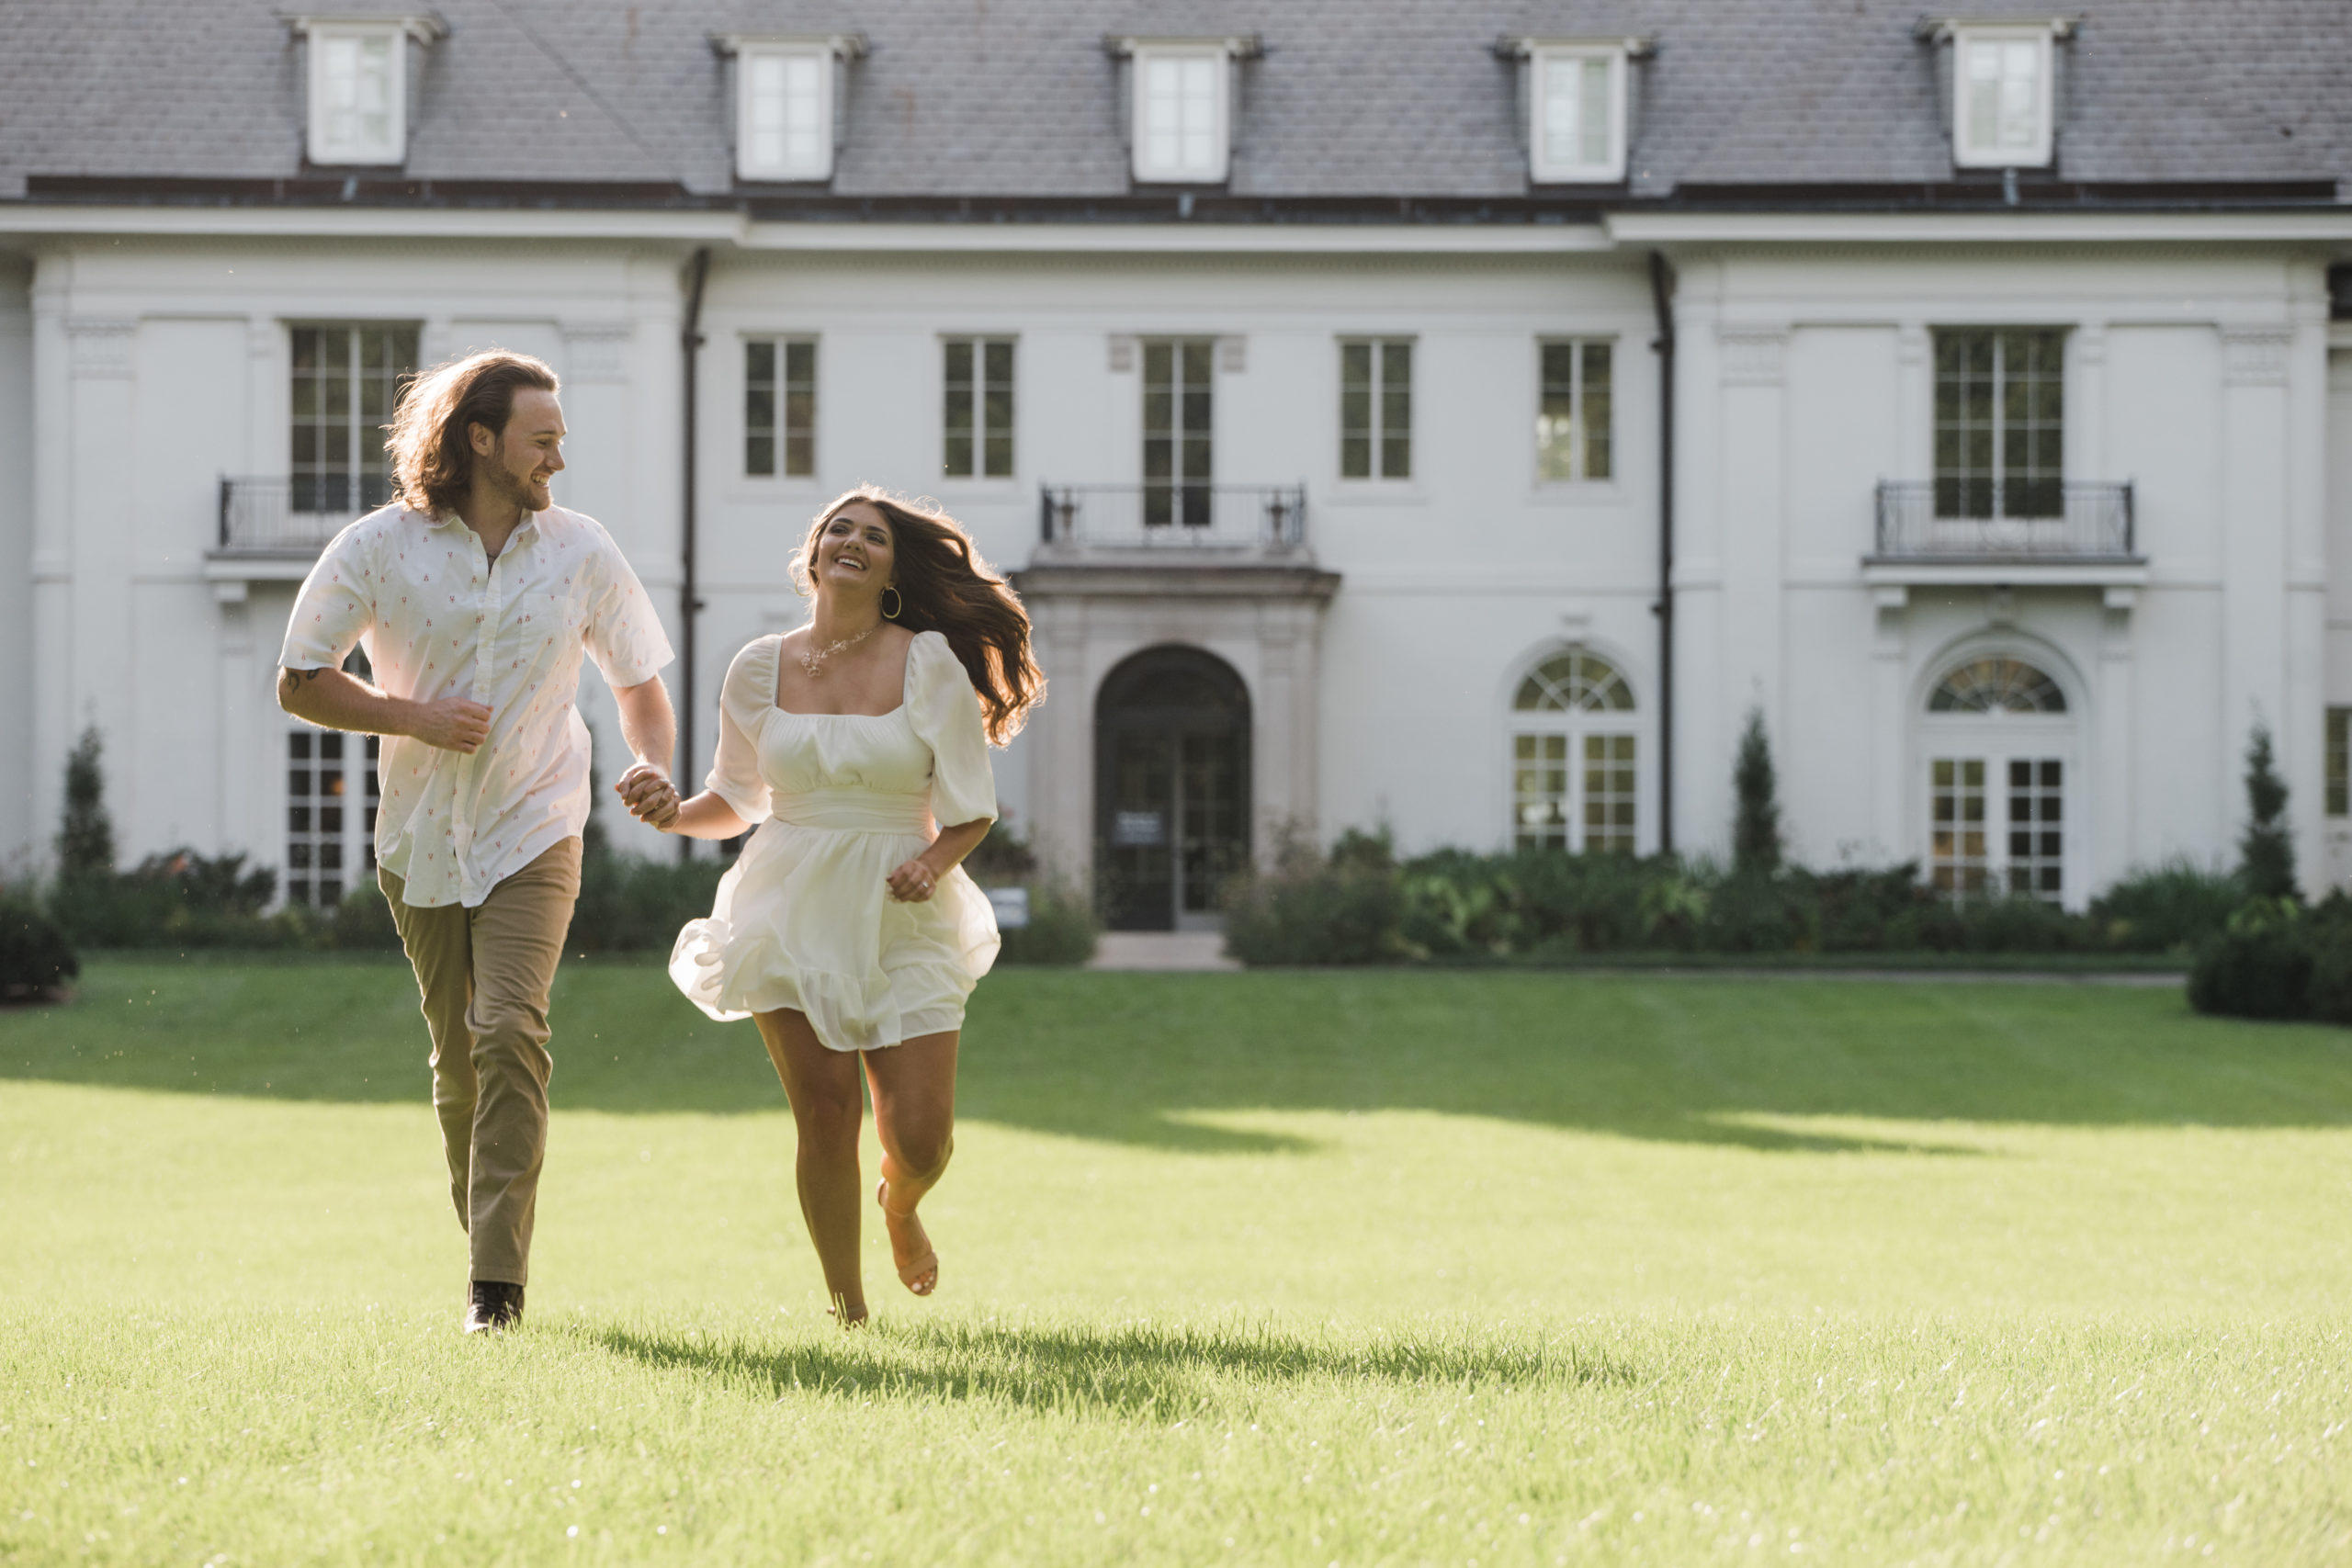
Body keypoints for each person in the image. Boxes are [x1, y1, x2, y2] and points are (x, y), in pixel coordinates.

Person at [277, 350, 680, 1335]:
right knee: (458, 1061)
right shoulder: (378, 546)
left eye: (560, 440)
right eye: (542, 440)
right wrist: (411, 717)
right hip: (417, 836)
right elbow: (299, 678)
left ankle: (494, 1292)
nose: (558, 459)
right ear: (478, 439)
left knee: (508, 1031)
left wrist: (654, 763)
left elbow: (638, 684)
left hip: (537, 824)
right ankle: (486, 1251)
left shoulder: (584, 551)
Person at [623, 485, 1041, 1326]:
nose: (852, 540)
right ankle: (848, 1311)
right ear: (812, 556)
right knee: (824, 1112)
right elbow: (735, 800)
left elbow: (970, 810)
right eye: (837, 529)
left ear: (891, 569)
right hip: (787, 901)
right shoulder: (755, 667)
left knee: (921, 1135)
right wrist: (673, 811)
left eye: (874, 536)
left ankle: (902, 1204)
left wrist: (931, 862)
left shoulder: (926, 661)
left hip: (903, 901)